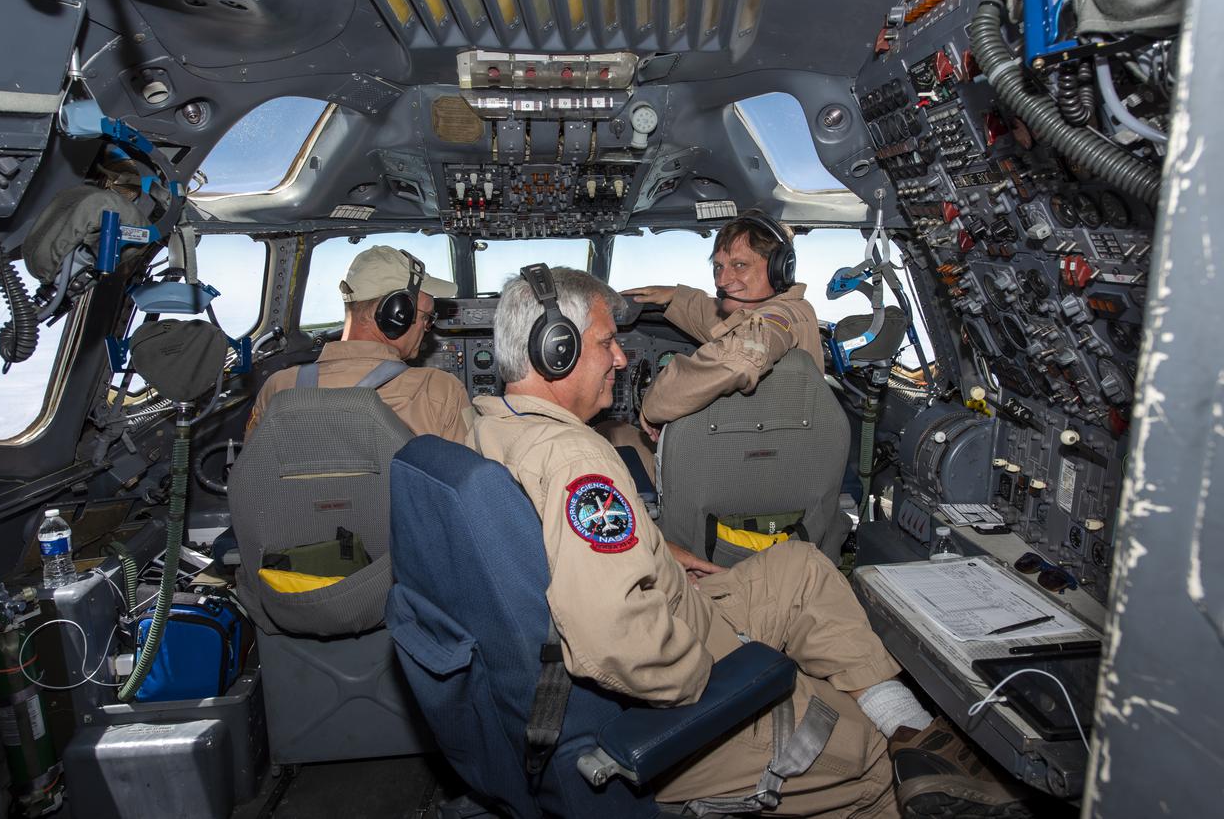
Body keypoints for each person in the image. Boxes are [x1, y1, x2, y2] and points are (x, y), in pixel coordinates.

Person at [467, 266, 1030, 818]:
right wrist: (722, 673)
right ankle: (901, 762)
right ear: (556, 351)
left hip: (663, 623)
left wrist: (661, 552)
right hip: (664, 687)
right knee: (866, 755)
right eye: (607, 343)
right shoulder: (575, 460)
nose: (620, 358)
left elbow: (563, 552)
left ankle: (910, 723)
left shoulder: (490, 424)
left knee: (801, 567)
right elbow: (615, 641)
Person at [623, 210, 822, 442]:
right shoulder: (791, 309)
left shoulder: (780, 317)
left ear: (779, 270)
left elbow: (742, 358)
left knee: (617, 434)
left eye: (740, 265)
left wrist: (653, 403)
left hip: (749, 459)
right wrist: (675, 296)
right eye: (718, 267)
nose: (721, 281)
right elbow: (723, 322)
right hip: (769, 451)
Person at [245, 245, 470, 441]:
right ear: (398, 314)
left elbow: (255, 475)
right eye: (426, 317)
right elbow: (469, 482)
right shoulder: (440, 390)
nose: (426, 328)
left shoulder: (278, 388)